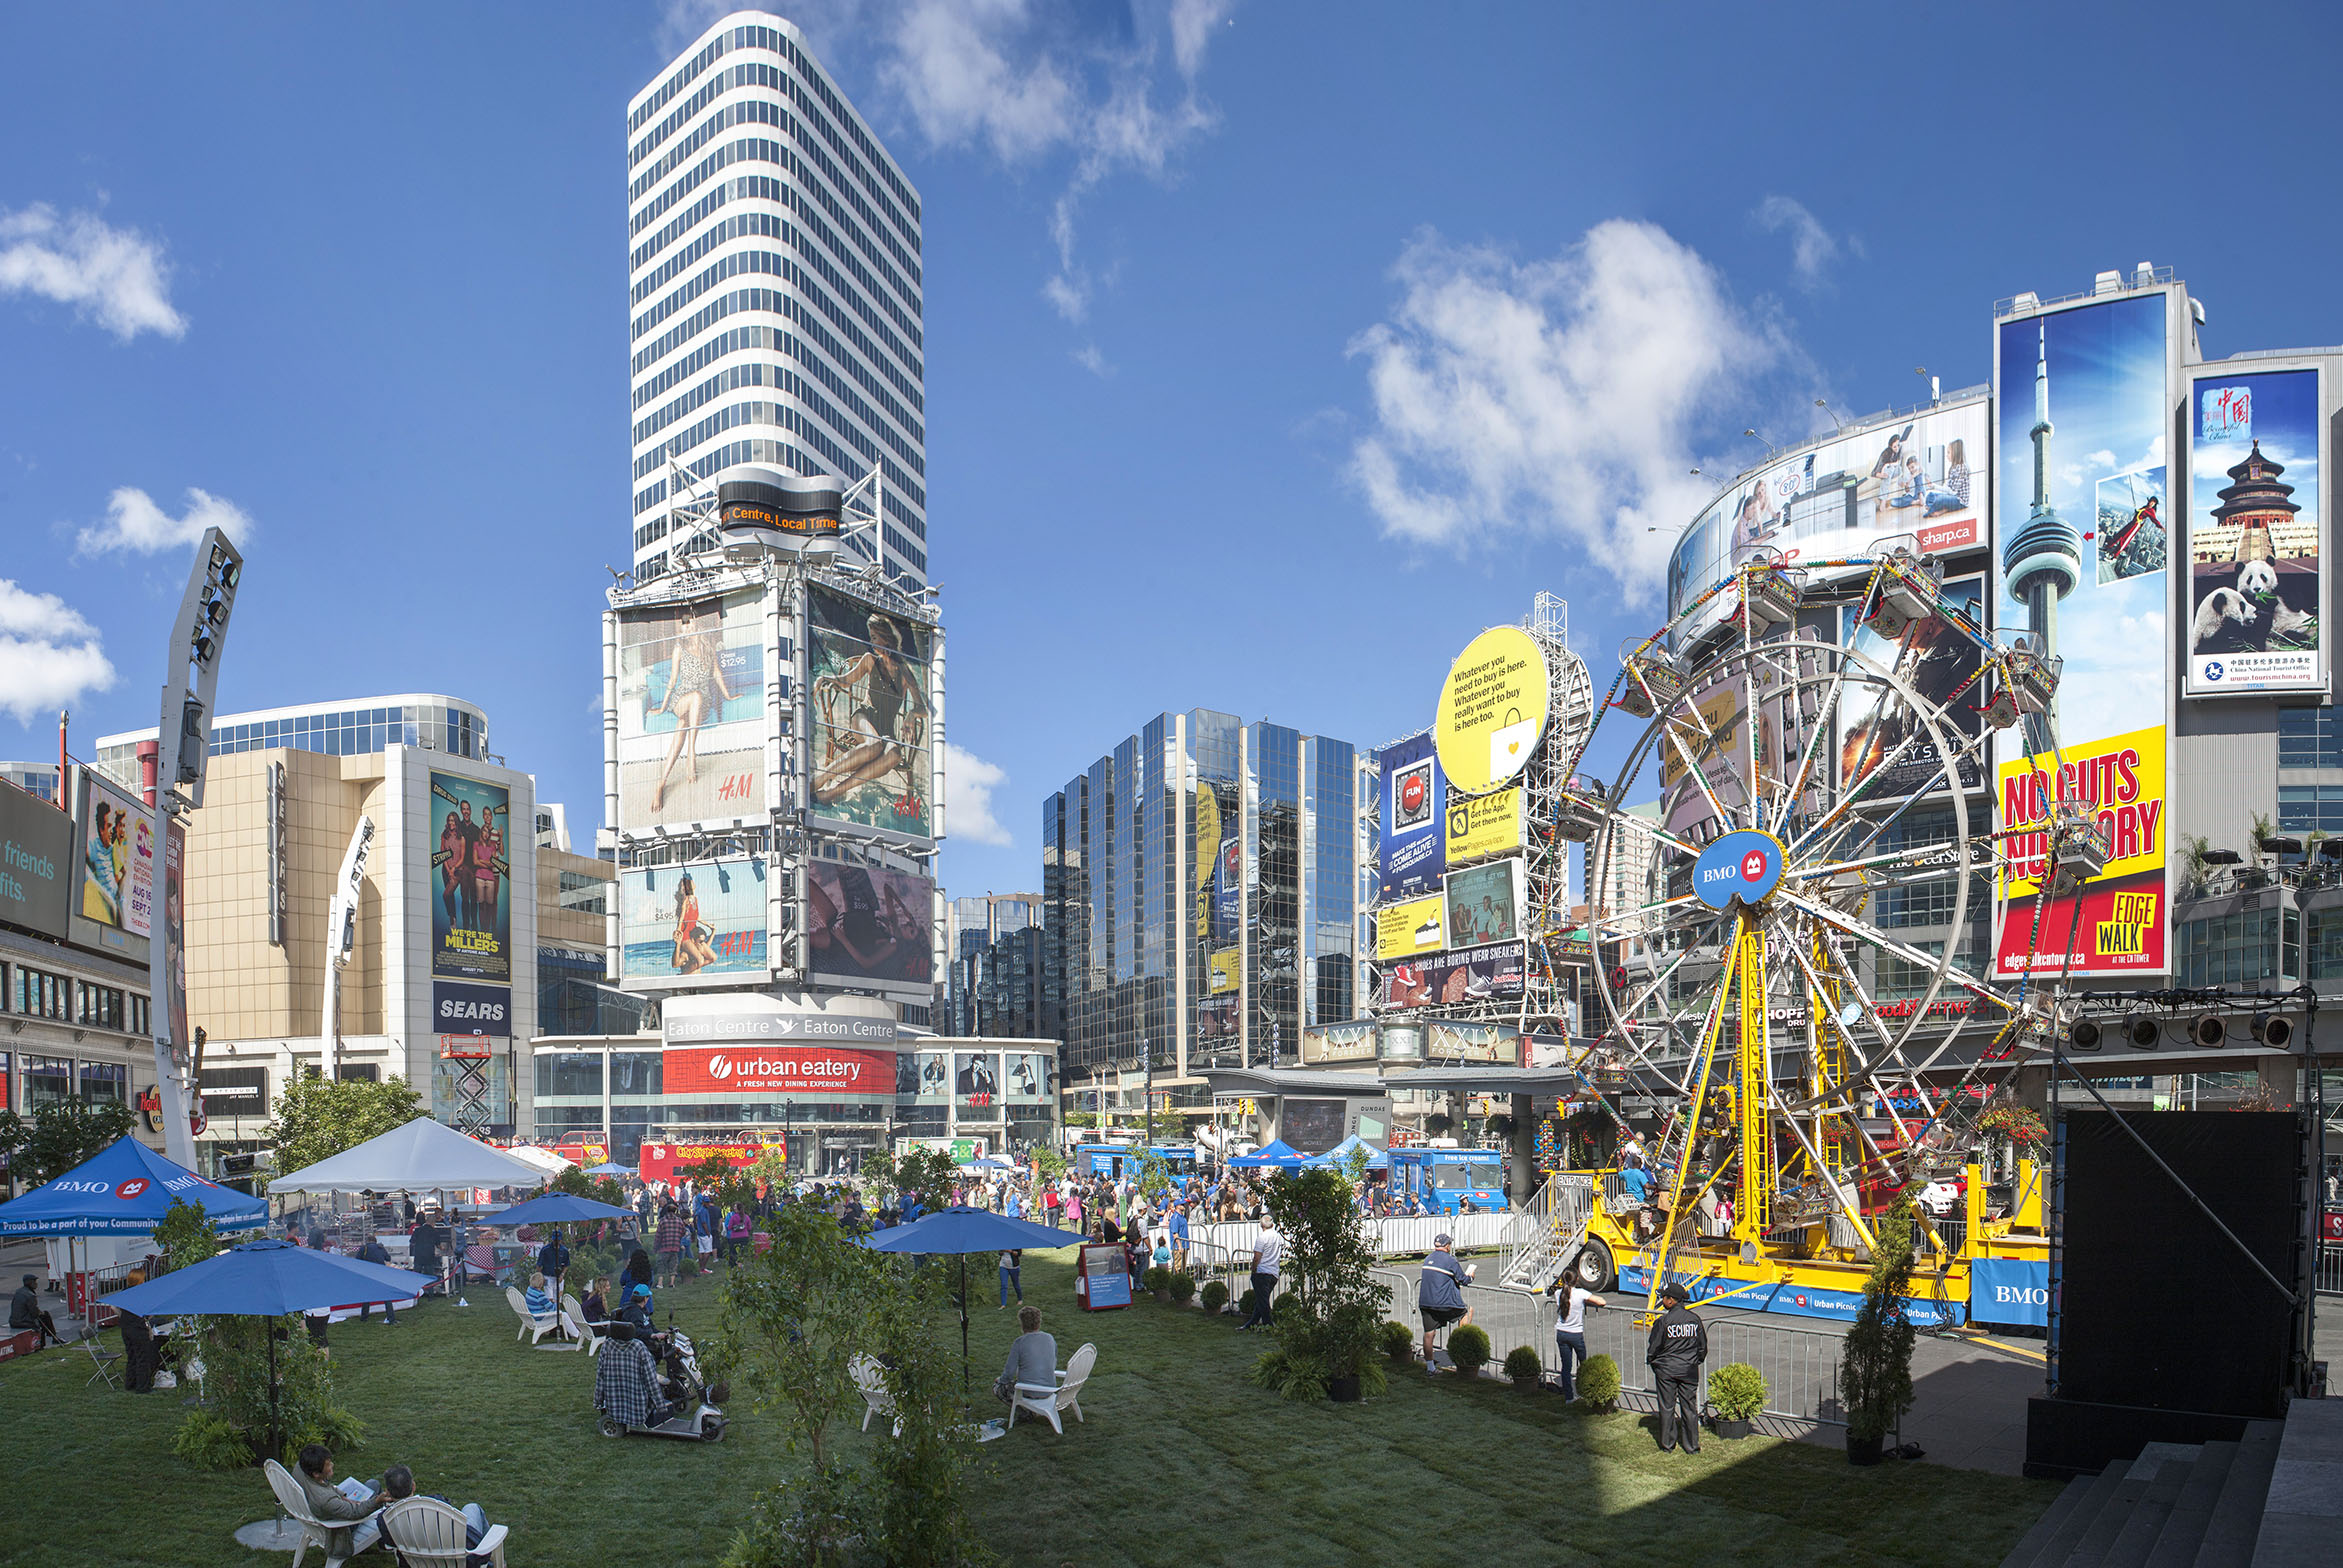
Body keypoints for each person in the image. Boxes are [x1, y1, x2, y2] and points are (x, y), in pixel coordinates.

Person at [377, 1464, 497, 1568]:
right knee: (472, 1508)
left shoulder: (385, 1519)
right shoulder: (436, 1504)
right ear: (413, 1486)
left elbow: (390, 1543)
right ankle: (491, 1563)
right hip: (458, 1561)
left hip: (417, 1563)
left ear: (388, 1492)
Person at [292, 1444, 386, 1561]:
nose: (332, 1465)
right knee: (374, 1485)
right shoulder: (326, 1500)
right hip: (339, 1530)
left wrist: (342, 1496)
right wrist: (378, 1500)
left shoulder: (300, 1469)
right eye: (328, 1465)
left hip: (319, 1519)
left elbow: (325, 1486)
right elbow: (356, 1512)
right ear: (316, 1473)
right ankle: (385, 1543)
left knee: (371, 1485)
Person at [1646, 1281, 1709, 1453]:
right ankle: (1692, 1446)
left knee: (1667, 1407)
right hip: (1689, 1369)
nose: (1662, 1300)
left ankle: (1668, 1444)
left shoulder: (1663, 1321)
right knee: (1689, 1407)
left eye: (1664, 1297)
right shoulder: (1694, 1320)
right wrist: (1694, 1361)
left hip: (1666, 1370)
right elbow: (1702, 1347)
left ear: (1671, 1300)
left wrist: (1653, 1362)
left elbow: (1654, 1348)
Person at [596, 1323, 675, 1432]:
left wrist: (598, 1401)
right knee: (656, 1384)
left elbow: (600, 1376)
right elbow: (650, 1379)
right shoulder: (638, 1347)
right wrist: (660, 1405)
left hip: (614, 1401)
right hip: (638, 1406)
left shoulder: (606, 1345)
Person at [1544, 1271, 1605, 1401]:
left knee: (1566, 1366)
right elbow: (1601, 1301)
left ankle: (1569, 1397)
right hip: (1576, 1334)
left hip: (1561, 1332)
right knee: (1584, 1364)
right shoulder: (1580, 1293)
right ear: (1577, 1279)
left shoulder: (1558, 1293)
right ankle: (1587, 1391)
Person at [1417, 1234, 1476, 1365]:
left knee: (1429, 1334)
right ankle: (1460, 1348)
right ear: (1447, 1246)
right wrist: (1471, 1276)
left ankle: (1430, 1368)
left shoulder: (1428, 1258)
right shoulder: (1450, 1260)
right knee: (1467, 1311)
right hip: (1443, 1302)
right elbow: (1463, 1279)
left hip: (1425, 1302)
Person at [992, 1304, 1056, 1406]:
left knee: (997, 1388)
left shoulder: (1020, 1342)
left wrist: (1000, 1380)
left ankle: (1025, 1412)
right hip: (1050, 1388)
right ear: (1039, 1322)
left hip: (1029, 1390)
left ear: (1022, 1324)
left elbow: (1009, 1373)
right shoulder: (1049, 1338)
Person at [1237, 1222, 1282, 1331]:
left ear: (1262, 1226)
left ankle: (1268, 1324)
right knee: (1262, 1299)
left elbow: (1257, 1257)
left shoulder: (1262, 1238)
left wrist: (1253, 1270)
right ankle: (1252, 1322)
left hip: (1262, 1272)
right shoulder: (1278, 1237)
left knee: (1262, 1301)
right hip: (1274, 1272)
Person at [10, 1273, 62, 1349]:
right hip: (23, 1322)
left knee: (43, 1316)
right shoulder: (30, 1295)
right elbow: (34, 1314)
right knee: (44, 1317)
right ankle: (45, 1342)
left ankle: (53, 1338)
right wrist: (40, 1312)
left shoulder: (19, 1291)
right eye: (34, 1281)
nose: (36, 1284)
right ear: (29, 1283)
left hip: (13, 1321)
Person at [355, 1235, 399, 1324]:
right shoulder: (380, 1247)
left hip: (368, 1274)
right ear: (375, 1241)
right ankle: (391, 1318)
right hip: (381, 1273)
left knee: (367, 1296)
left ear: (367, 1241)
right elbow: (388, 1258)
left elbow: (357, 1260)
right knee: (387, 1296)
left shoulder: (364, 1248)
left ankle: (364, 1317)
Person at [653, 1201, 685, 1288]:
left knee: (661, 1265)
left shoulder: (662, 1221)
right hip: (675, 1247)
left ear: (667, 1210)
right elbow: (683, 1232)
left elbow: (658, 1236)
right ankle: (672, 1283)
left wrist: (655, 1247)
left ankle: (660, 1283)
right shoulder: (679, 1221)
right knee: (673, 1265)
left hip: (664, 1247)